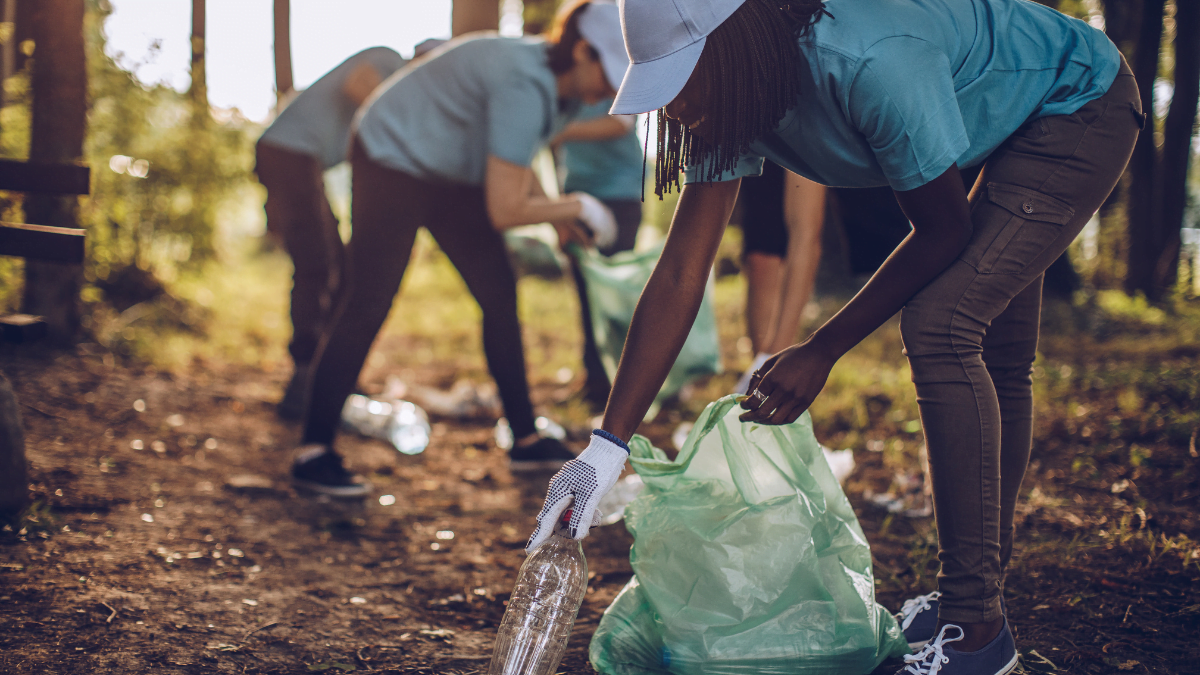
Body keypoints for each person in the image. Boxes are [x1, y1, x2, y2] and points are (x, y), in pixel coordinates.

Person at [528, 1, 1139, 673]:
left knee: (943, 324)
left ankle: (976, 631)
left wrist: (821, 347)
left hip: (1075, 103)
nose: (671, 109)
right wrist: (605, 446)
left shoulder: (868, 60)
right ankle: (972, 602)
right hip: (1005, 118)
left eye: (679, 79)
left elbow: (944, 230)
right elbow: (680, 272)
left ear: (732, 48)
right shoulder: (728, 102)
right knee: (995, 351)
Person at [290, 1, 630, 496]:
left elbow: (516, 161)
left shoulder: (568, 95)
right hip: (392, 153)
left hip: (453, 174)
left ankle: (526, 438)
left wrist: (554, 213)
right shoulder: (526, 82)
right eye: (609, 73)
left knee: (498, 292)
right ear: (581, 50)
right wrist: (574, 207)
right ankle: (313, 450)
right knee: (369, 299)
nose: (610, 90)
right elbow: (504, 210)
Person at [256, 48, 409, 419]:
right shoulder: (392, 62)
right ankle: (305, 377)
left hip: (298, 157)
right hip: (289, 153)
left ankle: (331, 370)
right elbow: (359, 82)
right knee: (318, 265)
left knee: (340, 267)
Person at [551, 100, 644, 407]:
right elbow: (553, 153)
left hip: (621, 192)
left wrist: (557, 130)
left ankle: (626, 382)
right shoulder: (562, 83)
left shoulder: (616, 63)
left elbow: (621, 123)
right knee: (585, 291)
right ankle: (595, 380)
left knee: (614, 293)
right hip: (577, 192)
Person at [733, 161, 826, 393]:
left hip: (810, 127)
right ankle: (760, 371)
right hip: (756, 129)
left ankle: (774, 367)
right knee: (760, 255)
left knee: (803, 226)